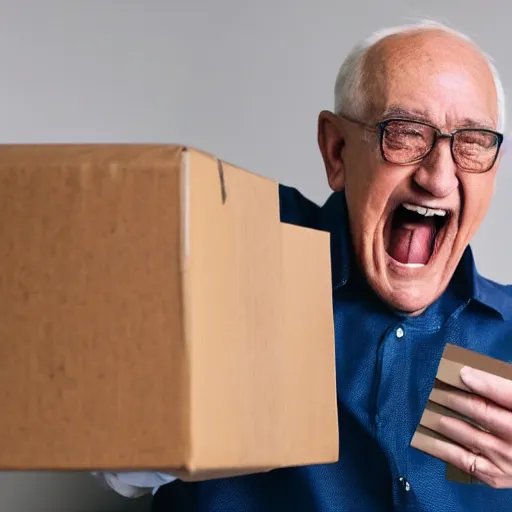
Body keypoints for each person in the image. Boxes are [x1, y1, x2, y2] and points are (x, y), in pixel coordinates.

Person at [94, 20, 512, 510]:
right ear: (336, 151)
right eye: (404, 134)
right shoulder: (229, 251)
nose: (439, 178)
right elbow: (116, 464)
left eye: (473, 142)